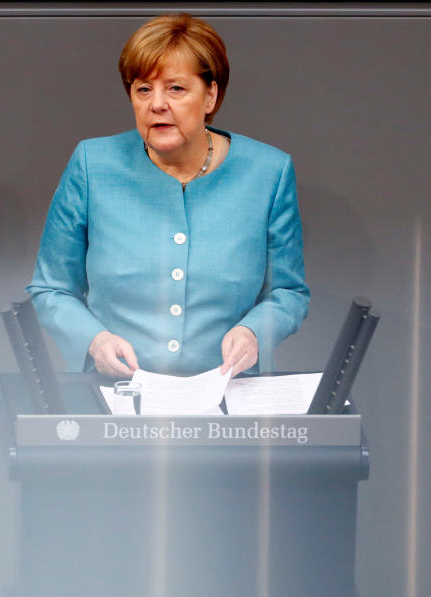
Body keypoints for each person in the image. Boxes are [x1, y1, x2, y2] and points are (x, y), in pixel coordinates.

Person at [26, 13, 309, 379]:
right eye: (143, 89)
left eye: (175, 88)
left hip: (227, 400)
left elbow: (288, 292)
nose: (156, 104)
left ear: (210, 94)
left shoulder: (268, 172)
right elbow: (52, 288)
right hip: (116, 397)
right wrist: (95, 340)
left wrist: (253, 332)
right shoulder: (91, 166)